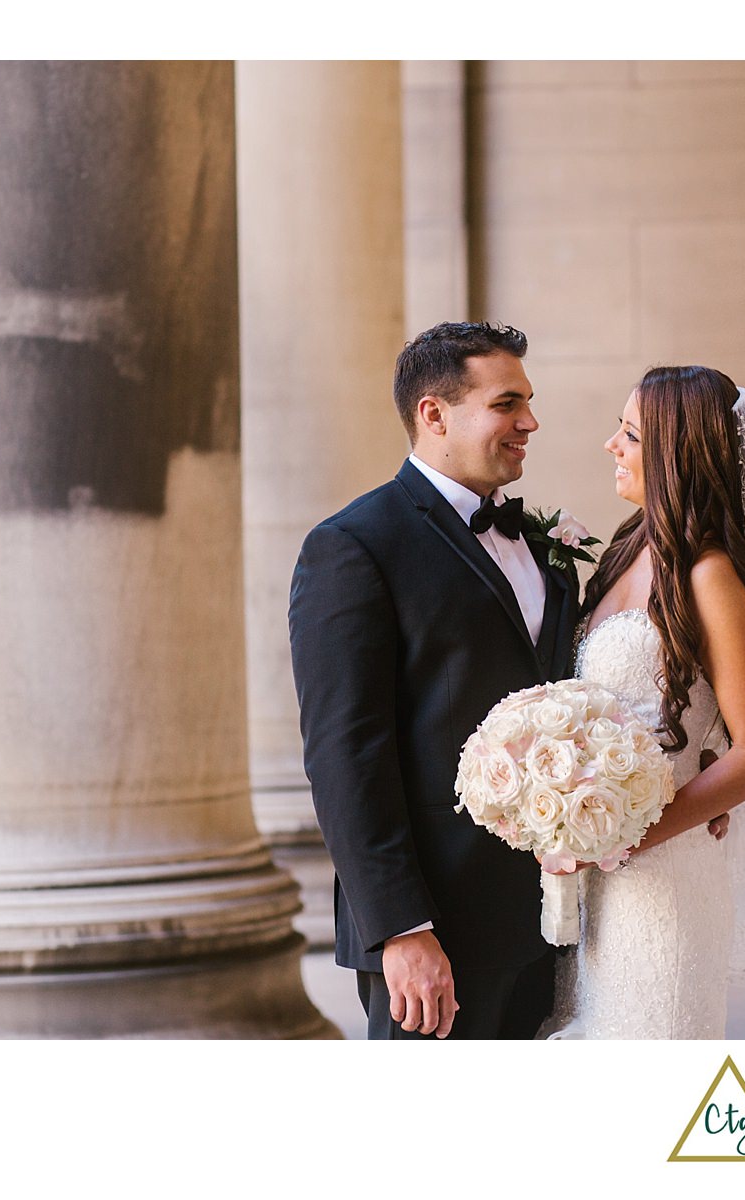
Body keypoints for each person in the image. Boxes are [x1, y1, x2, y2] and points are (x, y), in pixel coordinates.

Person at [542, 365, 745, 1039]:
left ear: (675, 451)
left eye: (631, 434)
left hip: (666, 880)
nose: (612, 445)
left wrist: (626, 834)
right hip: (600, 877)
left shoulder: (709, 573)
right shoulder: (627, 550)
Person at [288, 321, 580, 1039]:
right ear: (434, 414)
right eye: (507, 403)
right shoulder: (353, 547)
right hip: (433, 932)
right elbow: (344, 755)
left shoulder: (548, 552)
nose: (530, 422)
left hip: (550, 917)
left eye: (529, 402)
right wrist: (401, 931)